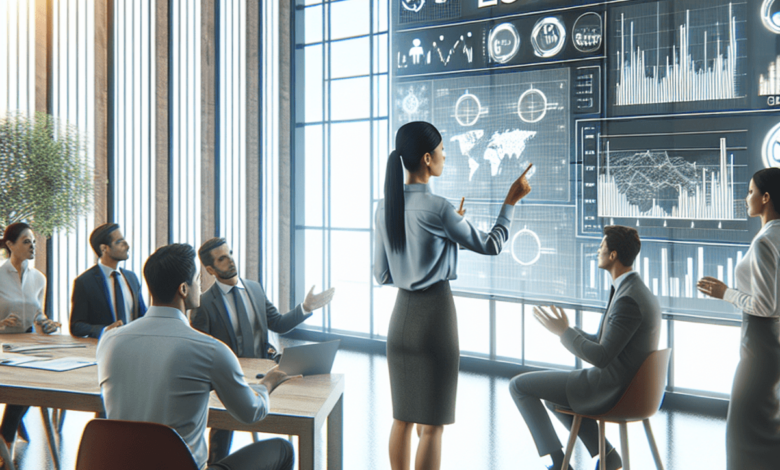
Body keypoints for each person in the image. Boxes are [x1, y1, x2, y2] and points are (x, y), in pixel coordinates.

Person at [374, 121, 532, 470]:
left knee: (402, 418)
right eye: (442, 149)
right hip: (434, 319)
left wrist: (432, 246)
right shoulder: (439, 208)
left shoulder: (383, 208)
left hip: (399, 321)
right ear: (428, 158)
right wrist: (510, 201)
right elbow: (491, 245)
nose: (446, 155)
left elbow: (381, 274)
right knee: (432, 426)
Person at [97, 243, 295, 470]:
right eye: (197, 280)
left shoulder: (109, 341)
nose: (200, 287)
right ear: (183, 289)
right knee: (282, 449)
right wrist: (267, 383)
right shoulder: (211, 349)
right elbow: (250, 412)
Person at [509, 225, 660, 470]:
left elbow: (600, 357)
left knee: (518, 386)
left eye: (601, 247)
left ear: (612, 255)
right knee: (551, 397)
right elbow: (604, 342)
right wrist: (569, 329)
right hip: (624, 383)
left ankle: (560, 464)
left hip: (613, 389)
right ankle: (608, 455)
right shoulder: (631, 290)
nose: (597, 251)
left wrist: (564, 333)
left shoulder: (628, 300)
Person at [191, 237, 335, 464]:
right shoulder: (204, 304)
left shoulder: (254, 289)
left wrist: (306, 308)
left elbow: (278, 323)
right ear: (210, 269)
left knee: (306, 387)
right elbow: (200, 350)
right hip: (229, 378)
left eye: (230, 254)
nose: (230, 261)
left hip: (263, 370)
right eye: (222, 258)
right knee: (221, 434)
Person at [697, 168, 780, 469]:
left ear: (766, 197)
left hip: (760, 348)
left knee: (742, 432)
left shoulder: (764, 241)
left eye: (750, 191)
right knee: (768, 430)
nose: (746, 198)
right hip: (775, 345)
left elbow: (766, 305)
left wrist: (725, 293)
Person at [0, 223, 60, 460]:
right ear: (10, 245)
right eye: (26, 241)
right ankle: (8, 438)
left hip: (27, 348)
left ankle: (7, 439)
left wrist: (47, 324)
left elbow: (38, 314)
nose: (32, 245)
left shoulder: (39, 279)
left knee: (36, 383)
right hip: (2, 349)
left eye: (33, 241)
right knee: (22, 391)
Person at [70, 223, 147, 338]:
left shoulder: (132, 278)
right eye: (119, 242)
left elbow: (142, 316)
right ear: (104, 248)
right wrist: (106, 330)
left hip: (134, 346)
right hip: (105, 348)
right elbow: (76, 326)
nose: (127, 245)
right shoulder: (85, 282)